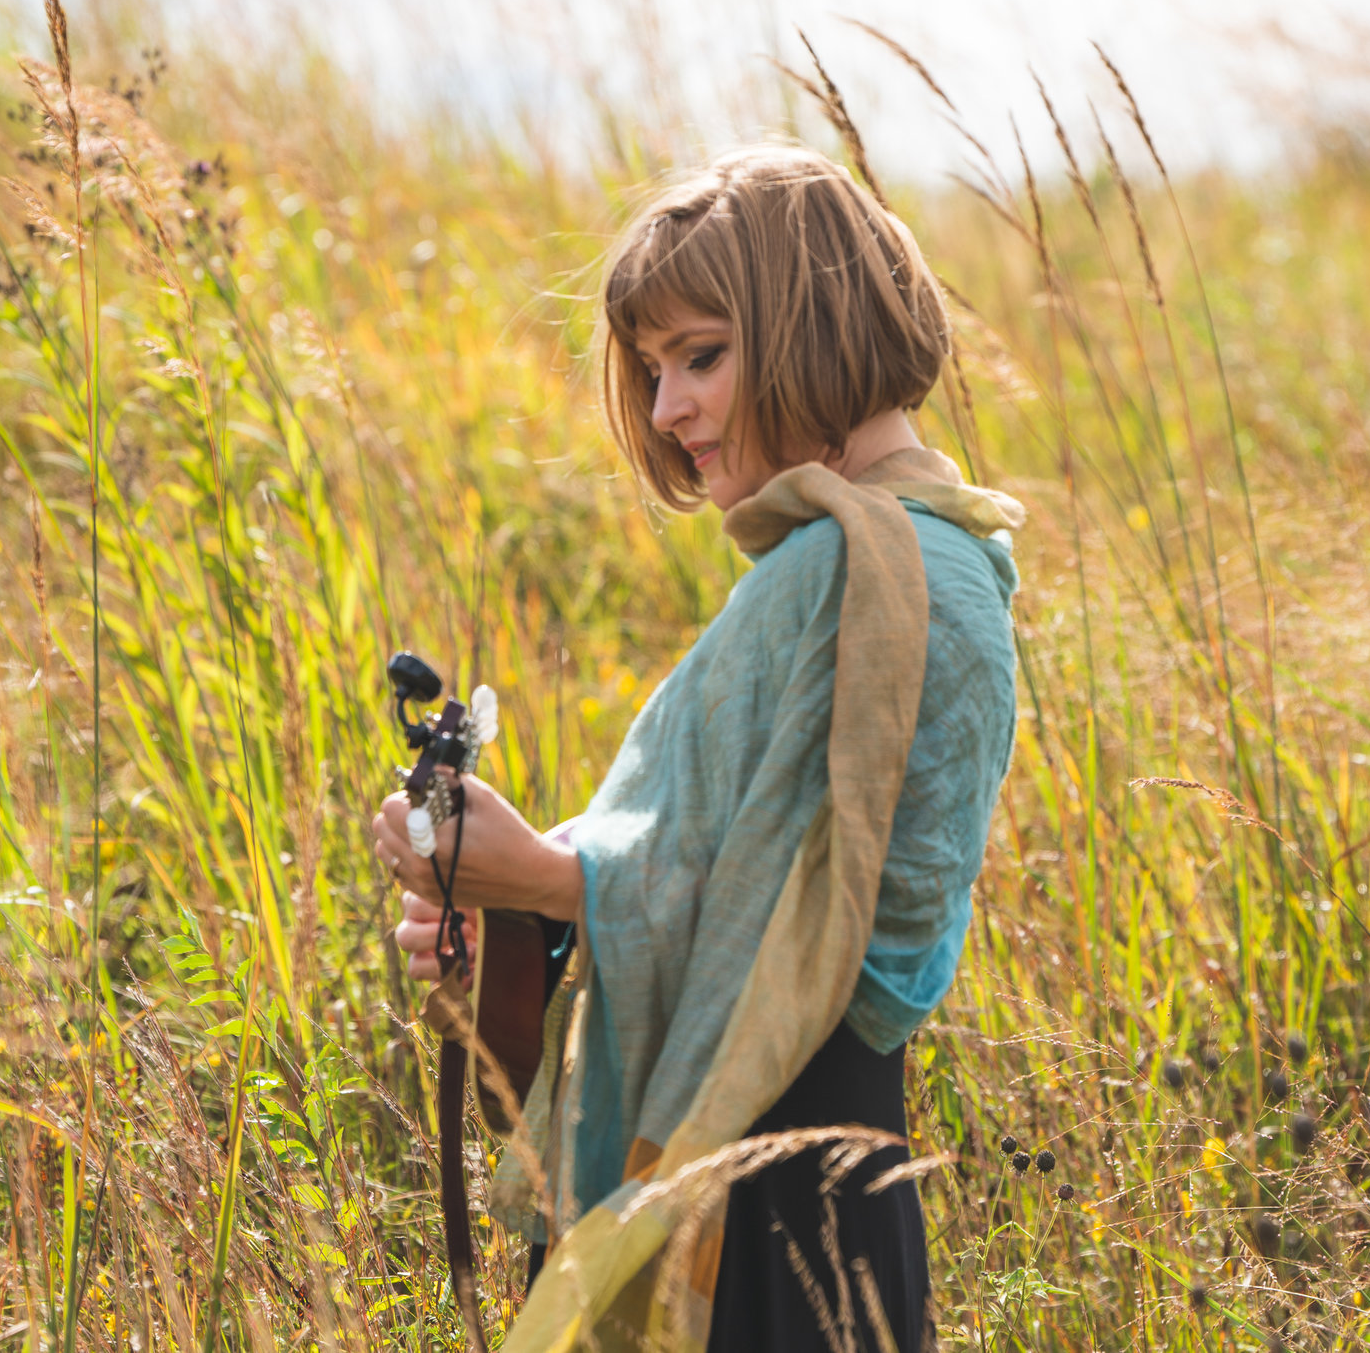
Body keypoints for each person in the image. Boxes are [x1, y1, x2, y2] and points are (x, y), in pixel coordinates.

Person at [370, 144, 1021, 1353]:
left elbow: (820, 941)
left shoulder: (855, 568)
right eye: (653, 369)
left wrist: (543, 882)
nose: (668, 414)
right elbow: (785, 888)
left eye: (702, 357)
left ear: (811, 322)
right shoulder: (942, 558)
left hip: (750, 1198)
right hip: (843, 1195)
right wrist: (525, 905)